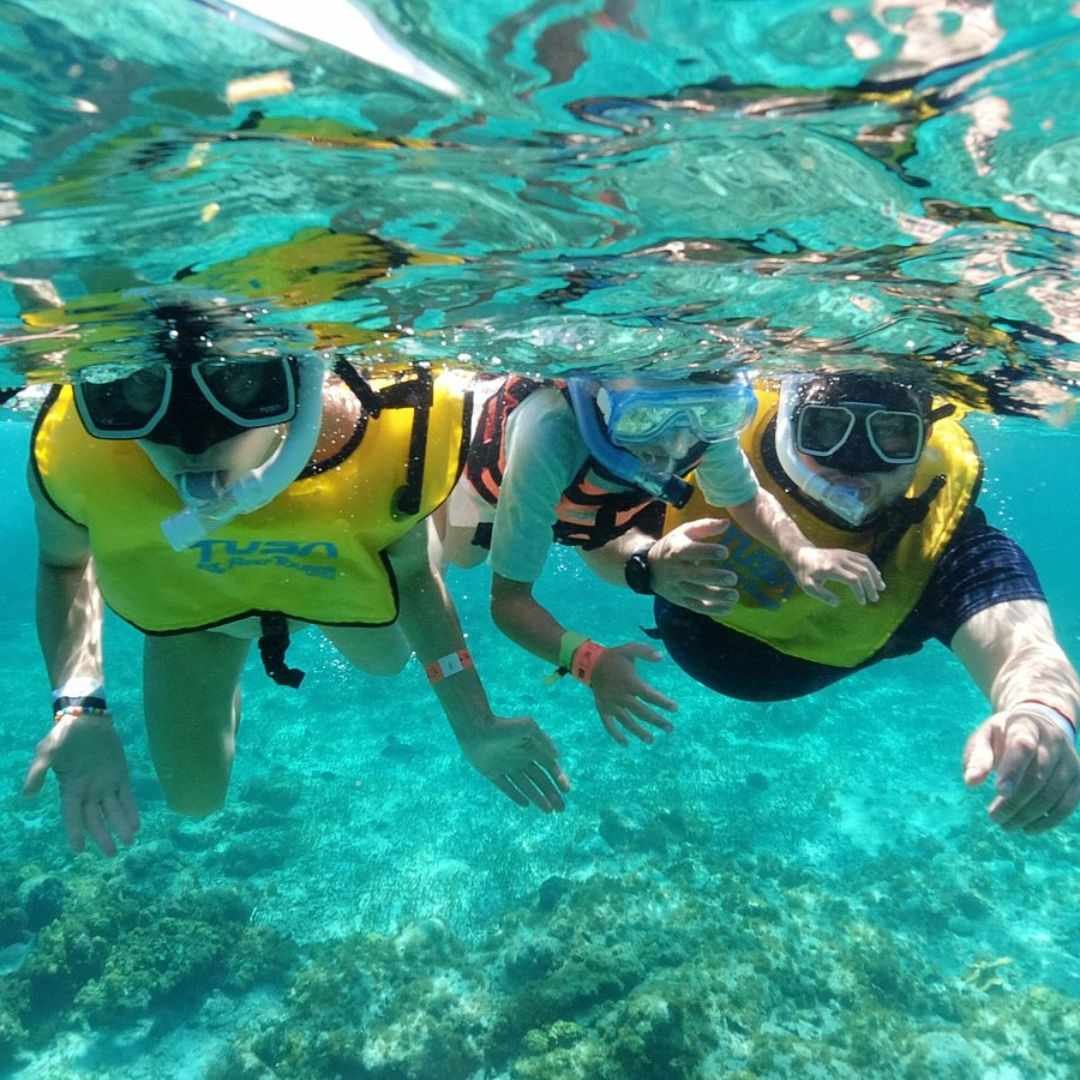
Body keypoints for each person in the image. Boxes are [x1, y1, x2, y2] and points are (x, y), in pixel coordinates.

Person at [22, 302, 569, 858]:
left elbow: (413, 578)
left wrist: (475, 723)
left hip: (335, 586)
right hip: (204, 616)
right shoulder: (78, 455)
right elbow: (64, 564)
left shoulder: (373, 425)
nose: (190, 437)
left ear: (298, 374)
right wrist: (78, 708)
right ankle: (238, 655)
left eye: (235, 379)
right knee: (194, 799)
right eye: (141, 387)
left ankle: (415, 525)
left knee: (387, 659)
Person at [592, 370, 1080, 833]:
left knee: (929, 588)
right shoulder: (703, 442)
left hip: (825, 651)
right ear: (786, 415)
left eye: (891, 435)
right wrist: (646, 565)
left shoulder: (938, 535)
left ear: (926, 437)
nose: (855, 463)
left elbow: (1022, 642)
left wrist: (1040, 711)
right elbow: (589, 536)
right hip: (688, 618)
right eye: (825, 428)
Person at [437, 371, 883, 747]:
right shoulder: (551, 432)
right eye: (647, 418)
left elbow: (746, 499)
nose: (674, 445)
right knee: (464, 557)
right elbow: (509, 603)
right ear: (603, 394)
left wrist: (800, 551)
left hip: (589, 506)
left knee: (608, 536)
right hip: (491, 493)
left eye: (711, 416)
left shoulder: (702, 419)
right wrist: (589, 661)